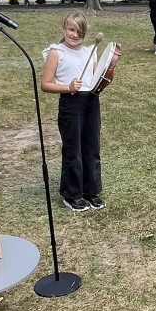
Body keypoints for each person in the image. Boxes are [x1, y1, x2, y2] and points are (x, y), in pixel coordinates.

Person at [41, 11, 104, 213]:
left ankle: (91, 191)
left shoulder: (90, 51)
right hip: (71, 103)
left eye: (79, 31)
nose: (75, 35)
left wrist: (109, 66)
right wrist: (67, 87)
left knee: (91, 147)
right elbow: (45, 84)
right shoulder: (56, 52)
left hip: (91, 101)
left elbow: (97, 79)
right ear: (64, 29)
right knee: (73, 149)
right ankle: (72, 194)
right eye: (71, 29)